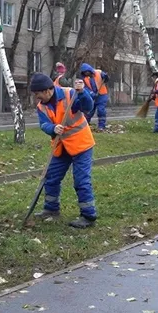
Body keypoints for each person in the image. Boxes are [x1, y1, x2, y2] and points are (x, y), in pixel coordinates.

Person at [31, 73, 98, 229]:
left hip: (81, 145)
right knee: (51, 177)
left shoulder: (70, 94)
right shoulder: (42, 106)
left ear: (48, 90)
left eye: (38, 93)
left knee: (81, 180)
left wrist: (82, 92)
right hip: (61, 146)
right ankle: (51, 209)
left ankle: (88, 215)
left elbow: (87, 107)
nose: (37, 97)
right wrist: (53, 128)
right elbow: (43, 125)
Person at [79, 63, 109, 130]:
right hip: (92, 97)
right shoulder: (84, 79)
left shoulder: (99, 72)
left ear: (89, 70)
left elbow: (106, 79)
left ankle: (101, 126)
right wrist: (92, 94)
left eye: (87, 71)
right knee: (89, 111)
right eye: (85, 72)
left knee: (101, 110)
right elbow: (85, 88)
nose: (86, 73)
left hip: (102, 95)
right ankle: (85, 125)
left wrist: (106, 77)